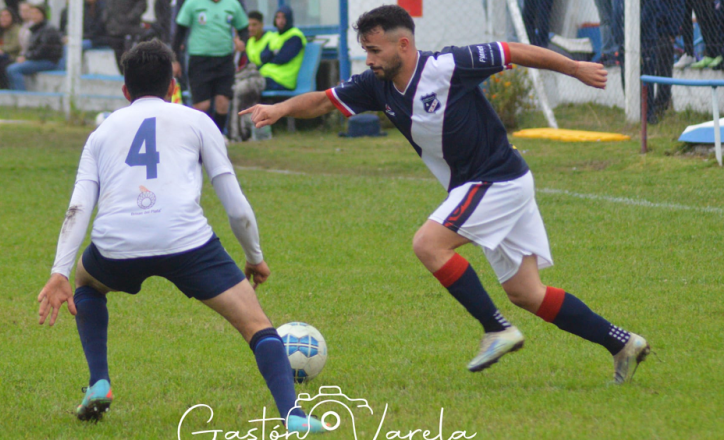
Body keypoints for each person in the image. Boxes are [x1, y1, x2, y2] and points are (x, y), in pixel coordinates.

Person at [241, 5, 651, 384]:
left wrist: (575, 67)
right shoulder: (376, 85)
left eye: (373, 50)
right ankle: (621, 342)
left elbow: (515, 51)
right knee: (527, 293)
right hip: (491, 184)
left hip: (495, 179)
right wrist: (279, 110)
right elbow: (323, 102)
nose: (368, 59)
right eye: (365, 50)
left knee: (428, 244)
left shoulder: (449, 65)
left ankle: (496, 328)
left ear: (403, 44)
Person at [35, 40, 328, 432]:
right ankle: (293, 416)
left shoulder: (101, 133)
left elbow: (78, 207)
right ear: (174, 84)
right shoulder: (197, 121)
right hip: (187, 245)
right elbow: (236, 205)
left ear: (125, 91)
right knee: (257, 327)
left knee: (87, 284)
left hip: (117, 247)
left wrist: (60, 272)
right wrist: (254, 257)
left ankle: (99, 381)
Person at [173, 0, 249, 134]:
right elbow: (179, 32)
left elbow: (243, 29)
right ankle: (198, 137)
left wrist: (242, 41)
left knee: (222, 103)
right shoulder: (192, 4)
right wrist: (175, 60)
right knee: (202, 105)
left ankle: (217, 136)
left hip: (224, 60)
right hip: (199, 60)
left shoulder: (232, 4)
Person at [228, 10, 272, 142]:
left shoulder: (269, 39)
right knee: (230, 90)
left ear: (262, 25)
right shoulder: (246, 43)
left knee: (238, 90)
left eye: (254, 25)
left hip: (261, 78)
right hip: (247, 77)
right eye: (249, 26)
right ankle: (240, 131)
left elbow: (263, 60)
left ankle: (235, 135)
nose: (251, 28)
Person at [6, 3, 62, 91]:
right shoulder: (35, 29)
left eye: (36, 13)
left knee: (13, 69)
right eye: (32, 13)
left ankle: (21, 95)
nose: (34, 16)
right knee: (7, 64)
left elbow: (43, 51)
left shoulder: (49, 30)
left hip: (48, 61)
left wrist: (27, 57)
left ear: (43, 14)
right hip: (37, 59)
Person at [259, 5, 306, 91]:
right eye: (278, 17)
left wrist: (272, 54)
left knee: (248, 86)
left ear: (289, 19)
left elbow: (282, 58)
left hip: (282, 80)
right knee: (239, 83)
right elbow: (263, 57)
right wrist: (274, 53)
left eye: (284, 18)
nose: (280, 21)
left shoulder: (295, 36)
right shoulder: (274, 36)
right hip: (266, 75)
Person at [57, 0, 110, 70]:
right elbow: (62, 30)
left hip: (97, 40)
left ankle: (64, 71)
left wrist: (75, 38)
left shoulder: (102, 9)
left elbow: (96, 31)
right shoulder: (68, 11)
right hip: (84, 38)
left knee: (72, 46)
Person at [104, 0, 147, 74]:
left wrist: (130, 17)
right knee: (119, 58)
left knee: (130, 58)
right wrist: (107, 18)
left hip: (131, 30)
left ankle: (131, 79)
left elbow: (142, 5)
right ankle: (124, 78)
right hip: (114, 30)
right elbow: (108, 6)